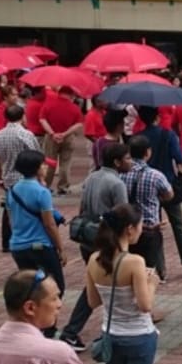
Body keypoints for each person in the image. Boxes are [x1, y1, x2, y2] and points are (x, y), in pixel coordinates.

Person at [85, 204, 160, 364]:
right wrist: (152, 283)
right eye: (139, 226)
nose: (141, 230)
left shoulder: (94, 260)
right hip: (139, 336)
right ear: (129, 230)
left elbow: (93, 301)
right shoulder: (134, 262)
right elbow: (145, 305)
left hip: (110, 334)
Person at [59, 143, 132, 352]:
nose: (130, 162)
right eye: (127, 158)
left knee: (98, 284)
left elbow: (82, 207)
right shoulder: (116, 184)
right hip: (106, 240)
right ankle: (72, 331)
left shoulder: (92, 177)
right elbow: (122, 215)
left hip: (87, 238)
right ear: (117, 162)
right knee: (101, 286)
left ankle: (79, 331)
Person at [6, 149, 66, 338]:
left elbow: (10, 219)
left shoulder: (13, 190)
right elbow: (49, 224)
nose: (46, 166)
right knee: (56, 287)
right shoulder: (42, 192)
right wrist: (60, 247)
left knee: (29, 287)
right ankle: (47, 327)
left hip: (18, 246)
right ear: (36, 168)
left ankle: (30, 323)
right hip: (40, 246)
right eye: (43, 164)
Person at [137, 106, 182, 279]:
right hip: (168, 183)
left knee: (154, 228)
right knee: (179, 225)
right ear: (158, 117)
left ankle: (161, 270)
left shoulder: (138, 138)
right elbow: (180, 159)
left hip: (146, 185)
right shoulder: (168, 135)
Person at [120, 136, 173, 282]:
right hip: (150, 228)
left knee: (128, 268)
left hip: (128, 227)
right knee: (148, 271)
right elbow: (169, 194)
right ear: (148, 152)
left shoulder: (121, 174)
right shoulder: (155, 175)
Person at [0, 104, 41, 252]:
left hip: (8, 178)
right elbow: (36, 156)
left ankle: (7, 241)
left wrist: (0, 177)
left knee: (9, 209)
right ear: (22, 116)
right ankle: (28, 239)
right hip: (25, 177)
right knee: (29, 209)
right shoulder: (26, 135)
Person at [40, 86, 83, 194]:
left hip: (51, 137)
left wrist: (52, 133)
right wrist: (65, 134)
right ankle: (63, 186)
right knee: (66, 163)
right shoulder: (74, 108)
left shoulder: (49, 104)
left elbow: (42, 119)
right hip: (68, 137)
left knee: (49, 162)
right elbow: (78, 124)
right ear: (71, 94)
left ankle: (46, 184)